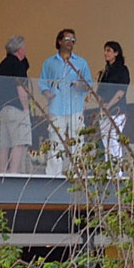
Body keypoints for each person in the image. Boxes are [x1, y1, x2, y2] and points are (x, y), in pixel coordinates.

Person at [39, 27, 92, 175]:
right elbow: (43, 82)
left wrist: (80, 85)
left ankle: (76, 174)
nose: (70, 42)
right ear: (59, 41)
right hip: (56, 107)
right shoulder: (49, 62)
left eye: (73, 40)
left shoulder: (81, 62)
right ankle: (53, 174)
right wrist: (47, 93)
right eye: (67, 39)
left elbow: (89, 84)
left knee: (77, 141)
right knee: (55, 141)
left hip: (75, 107)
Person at [0, 35, 32, 173]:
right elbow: (21, 88)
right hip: (17, 108)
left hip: (3, 109)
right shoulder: (17, 64)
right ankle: (13, 173)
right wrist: (26, 108)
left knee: (4, 145)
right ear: (20, 50)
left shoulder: (2, 65)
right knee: (19, 143)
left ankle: (3, 173)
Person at [96, 40, 130, 160]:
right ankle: (109, 168)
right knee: (106, 142)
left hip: (117, 110)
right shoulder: (105, 72)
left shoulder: (122, 70)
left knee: (114, 139)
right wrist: (101, 103)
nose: (106, 53)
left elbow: (121, 90)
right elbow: (99, 92)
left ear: (116, 53)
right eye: (105, 51)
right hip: (104, 112)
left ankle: (117, 172)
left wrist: (109, 105)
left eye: (109, 50)